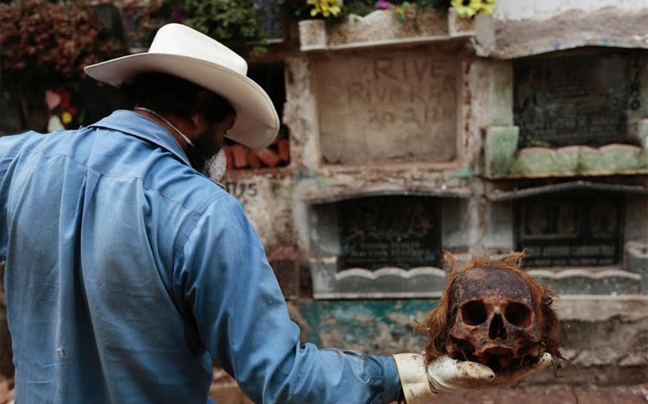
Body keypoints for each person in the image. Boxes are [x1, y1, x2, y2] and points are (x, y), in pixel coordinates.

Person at [0, 23, 551, 403]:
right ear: (198, 114)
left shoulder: (21, 159)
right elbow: (282, 380)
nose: (223, 149)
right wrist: (413, 374)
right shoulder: (200, 212)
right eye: (223, 132)